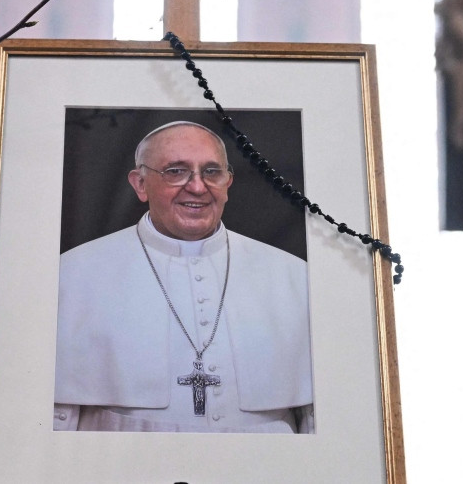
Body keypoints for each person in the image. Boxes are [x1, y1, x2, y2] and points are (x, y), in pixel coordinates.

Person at [54, 121, 314, 433]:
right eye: (176, 171)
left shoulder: (294, 276)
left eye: (212, 172)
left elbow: (317, 420)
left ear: (228, 182)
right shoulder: (74, 274)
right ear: (140, 184)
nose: (198, 187)